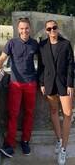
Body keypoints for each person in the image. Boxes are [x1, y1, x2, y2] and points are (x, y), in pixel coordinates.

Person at [0, 17, 39, 158]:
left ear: (30, 29)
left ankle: (25, 140)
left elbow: (44, 61)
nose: (24, 31)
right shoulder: (11, 43)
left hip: (31, 83)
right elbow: (2, 59)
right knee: (13, 114)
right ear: (18, 29)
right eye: (22, 28)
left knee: (29, 113)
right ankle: (10, 144)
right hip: (15, 83)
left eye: (26, 28)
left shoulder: (35, 44)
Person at [38, 20, 74, 165]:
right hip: (49, 82)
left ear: (57, 28)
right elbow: (40, 66)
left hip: (64, 83)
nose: (52, 30)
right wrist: (41, 82)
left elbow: (71, 65)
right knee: (53, 110)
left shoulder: (66, 44)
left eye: (54, 28)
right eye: (49, 28)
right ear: (46, 31)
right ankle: (59, 140)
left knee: (67, 114)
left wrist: (70, 84)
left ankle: (64, 149)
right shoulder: (42, 46)